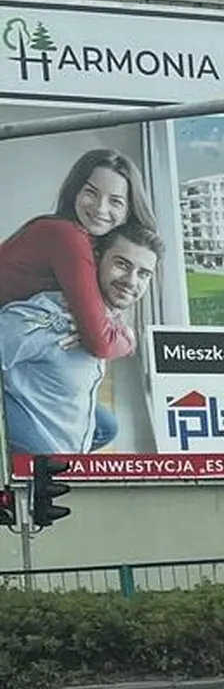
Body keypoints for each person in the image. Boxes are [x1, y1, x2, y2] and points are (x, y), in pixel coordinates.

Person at [0, 221, 159, 458]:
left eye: (143, 274)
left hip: (70, 447)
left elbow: (120, 338)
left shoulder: (107, 324)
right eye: (122, 264)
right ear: (96, 260)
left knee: (106, 427)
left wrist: (126, 337)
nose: (131, 281)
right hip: (39, 459)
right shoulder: (51, 318)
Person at [0, 147, 152, 365]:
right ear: (75, 192)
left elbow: (102, 331)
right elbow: (101, 343)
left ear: (128, 211)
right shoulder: (68, 237)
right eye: (91, 193)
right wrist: (128, 338)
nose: (100, 208)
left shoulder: (91, 245)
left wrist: (105, 329)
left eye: (115, 201)